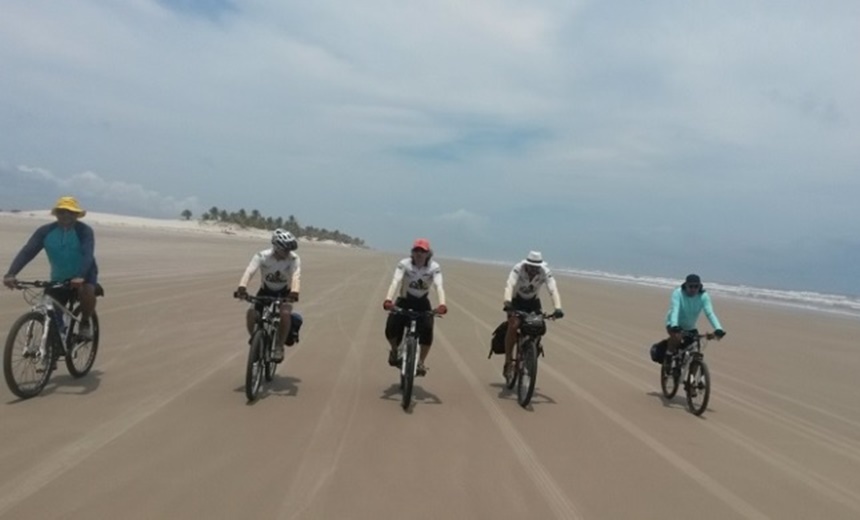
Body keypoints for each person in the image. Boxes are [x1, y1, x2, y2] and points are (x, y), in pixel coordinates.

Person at [3, 196, 99, 339]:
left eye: (70, 212)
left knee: (87, 292)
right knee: (52, 314)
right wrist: (11, 273)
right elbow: (28, 251)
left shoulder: (84, 231)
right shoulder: (45, 231)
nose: (66, 215)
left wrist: (80, 276)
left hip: (85, 273)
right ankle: (55, 344)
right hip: (59, 277)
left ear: (76, 214)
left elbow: (87, 254)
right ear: (56, 214)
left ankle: (85, 322)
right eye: (61, 211)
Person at [382, 238, 447, 376]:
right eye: (416, 250)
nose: (419, 253)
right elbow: (395, 281)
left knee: (428, 329)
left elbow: (439, 286)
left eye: (422, 251)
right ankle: (394, 351)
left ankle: (421, 362)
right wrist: (388, 299)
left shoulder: (434, 267)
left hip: (422, 302)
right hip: (404, 300)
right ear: (412, 252)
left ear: (428, 253)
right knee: (391, 327)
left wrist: (442, 304)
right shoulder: (404, 264)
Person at [235, 229, 301, 362]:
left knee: (285, 314)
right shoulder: (262, 256)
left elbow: (296, 276)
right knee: (251, 314)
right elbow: (249, 271)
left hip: (285, 292)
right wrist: (242, 287)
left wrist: (294, 293)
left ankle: (278, 347)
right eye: (286, 250)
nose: (288, 252)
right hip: (265, 291)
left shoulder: (294, 258)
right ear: (277, 247)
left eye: (290, 249)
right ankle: (256, 340)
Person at [502, 250, 564, 379]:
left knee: (537, 327)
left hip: (533, 303)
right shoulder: (518, 268)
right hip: (516, 301)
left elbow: (553, 289)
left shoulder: (545, 272)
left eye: (536, 268)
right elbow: (510, 284)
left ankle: (531, 353)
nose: (533, 270)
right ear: (527, 264)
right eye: (531, 267)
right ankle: (508, 361)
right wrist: (507, 302)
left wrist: (558, 308)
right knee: (513, 326)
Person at [650, 274, 726, 363]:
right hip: (673, 323)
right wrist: (674, 325)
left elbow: (709, 313)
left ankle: (692, 370)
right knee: (677, 338)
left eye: (696, 286)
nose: (693, 289)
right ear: (685, 285)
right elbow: (675, 310)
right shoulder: (678, 293)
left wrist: (718, 328)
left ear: (700, 287)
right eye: (690, 286)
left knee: (695, 347)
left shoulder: (703, 296)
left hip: (690, 327)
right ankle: (668, 355)